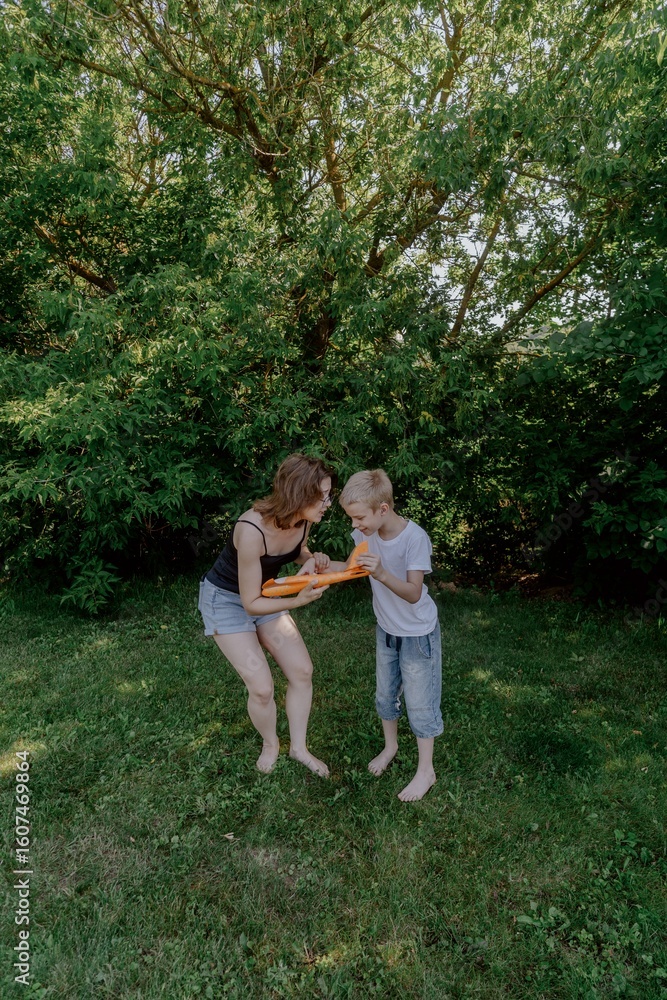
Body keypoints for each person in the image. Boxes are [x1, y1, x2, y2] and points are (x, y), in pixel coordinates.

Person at [198, 454, 334, 776]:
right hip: (227, 601)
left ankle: (299, 748)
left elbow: (296, 550)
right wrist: (298, 601)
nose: (328, 504)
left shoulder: (303, 521)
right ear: (298, 495)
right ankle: (270, 743)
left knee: (302, 671)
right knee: (261, 689)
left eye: (329, 495)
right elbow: (250, 604)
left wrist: (310, 557)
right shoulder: (250, 530)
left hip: (264, 593)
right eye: (322, 497)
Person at [335, 469, 443, 801]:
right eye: (351, 518)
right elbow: (350, 569)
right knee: (385, 695)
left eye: (359, 518)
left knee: (420, 704)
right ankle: (390, 747)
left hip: (417, 633)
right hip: (386, 629)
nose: (355, 525)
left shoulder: (414, 539)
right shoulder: (365, 534)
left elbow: (413, 592)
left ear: (383, 509)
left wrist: (381, 573)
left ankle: (426, 770)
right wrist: (323, 565)